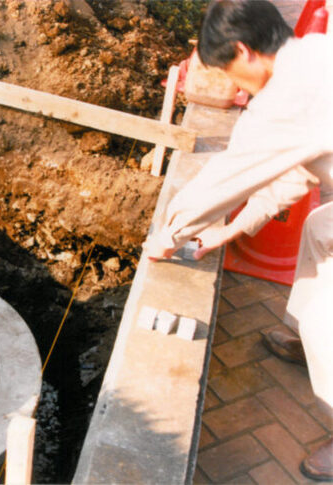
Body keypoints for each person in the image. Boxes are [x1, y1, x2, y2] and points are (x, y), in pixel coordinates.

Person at [143, 0, 332, 480]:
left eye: (230, 71)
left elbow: (231, 172)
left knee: (326, 321)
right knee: (318, 228)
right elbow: (299, 172)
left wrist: (171, 233)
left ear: (245, 51)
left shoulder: (287, 95)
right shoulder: (313, 55)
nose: (233, 85)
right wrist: (230, 230)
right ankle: (300, 337)